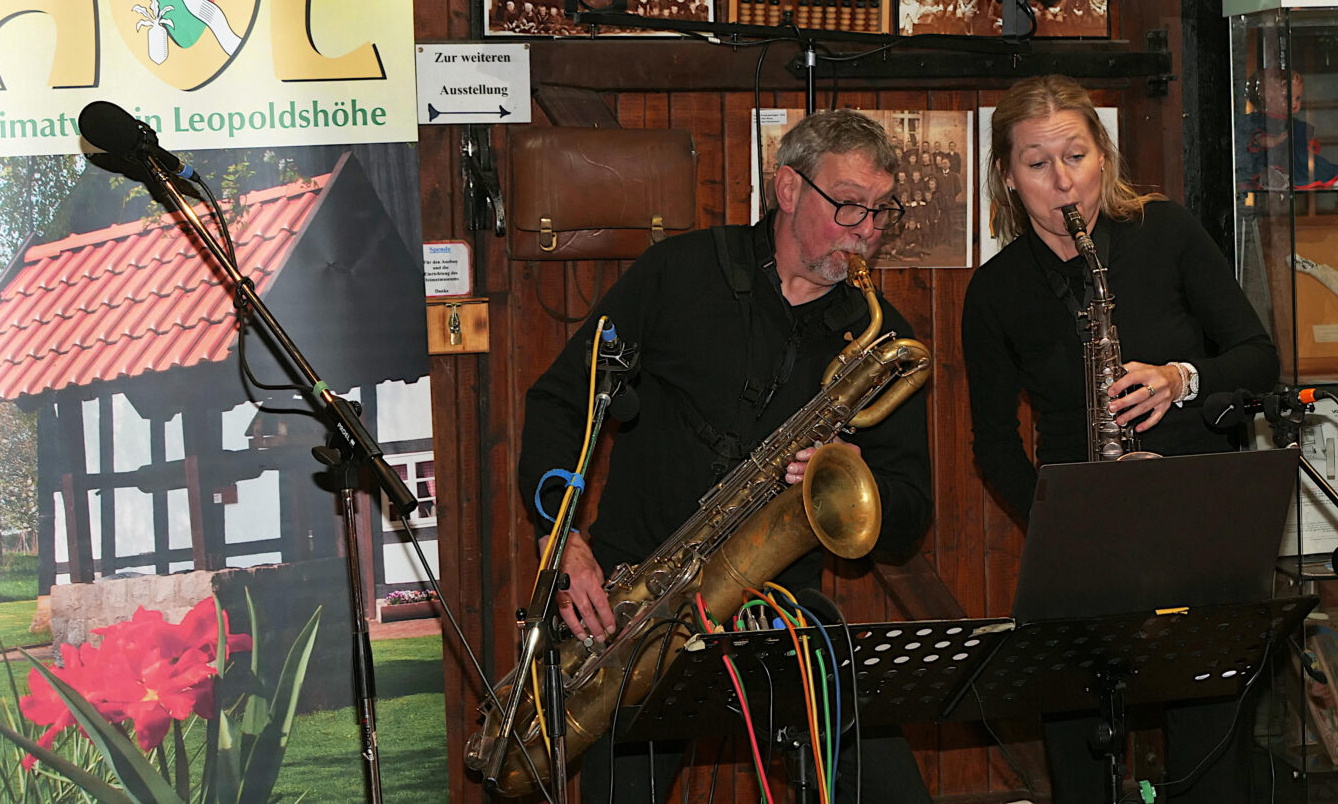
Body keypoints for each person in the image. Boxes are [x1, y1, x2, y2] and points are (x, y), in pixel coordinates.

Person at [520, 109, 934, 804]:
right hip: (636, 603)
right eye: (849, 205)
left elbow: (910, 507)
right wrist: (560, 539)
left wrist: (854, 476)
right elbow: (562, 399)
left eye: (880, 211)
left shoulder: (880, 338)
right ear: (788, 188)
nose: (866, 229)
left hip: (778, 611)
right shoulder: (678, 274)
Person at [961, 75, 1279, 803]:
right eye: (1038, 163)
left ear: (1104, 154)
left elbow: (1258, 355)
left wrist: (1179, 378)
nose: (1063, 179)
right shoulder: (996, 290)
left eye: (1077, 154)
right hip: (1084, 546)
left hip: (1198, 525)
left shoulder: (1163, 233)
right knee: (1082, 761)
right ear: (1008, 176)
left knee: (1211, 759)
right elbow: (993, 445)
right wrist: (1059, 518)